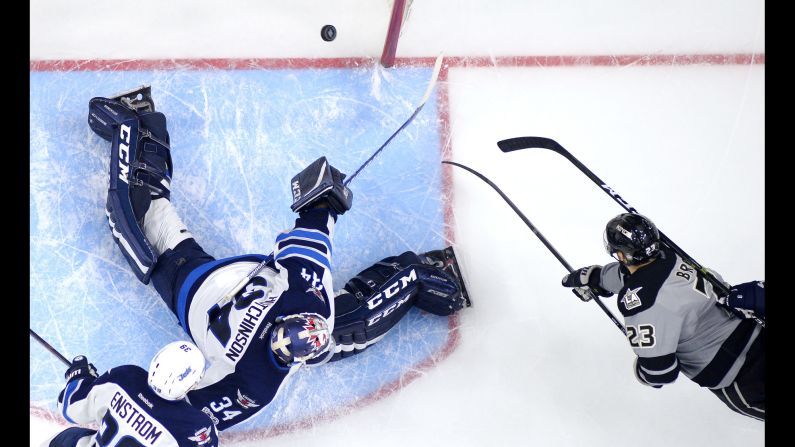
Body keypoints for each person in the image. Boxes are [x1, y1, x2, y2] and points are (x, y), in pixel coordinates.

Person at [87, 86, 470, 431]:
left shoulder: (289, 326)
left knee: (140, 219)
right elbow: (186, 417)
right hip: (209, 292)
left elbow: (315, 219)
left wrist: (324, 199)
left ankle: (140, 123)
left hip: (204, 292)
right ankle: (417, 274)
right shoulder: (300, 314)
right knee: (348, 328)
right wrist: (323, 202)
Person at [560, 213, 764, 420]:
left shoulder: (644, 305)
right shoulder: (671, 255)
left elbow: (660, 373)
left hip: (744, 380)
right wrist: (598, 278)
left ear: (621, 255)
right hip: (757, 335)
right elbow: (644, 277)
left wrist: (643, 370)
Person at [42, 341, 219, 447]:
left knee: (70, 437)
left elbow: (70, 407)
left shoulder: (124, 378)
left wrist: (79, 376)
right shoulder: (197, 427)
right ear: (193, 383)